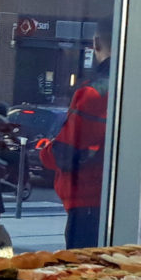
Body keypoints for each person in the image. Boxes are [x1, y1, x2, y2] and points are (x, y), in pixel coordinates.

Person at [40, 34, 111, 249]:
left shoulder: (93, 92)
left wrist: (45, 148)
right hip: (112, 200)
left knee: (81, 271)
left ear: (96, 43)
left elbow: (65, 154)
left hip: (87, 202)